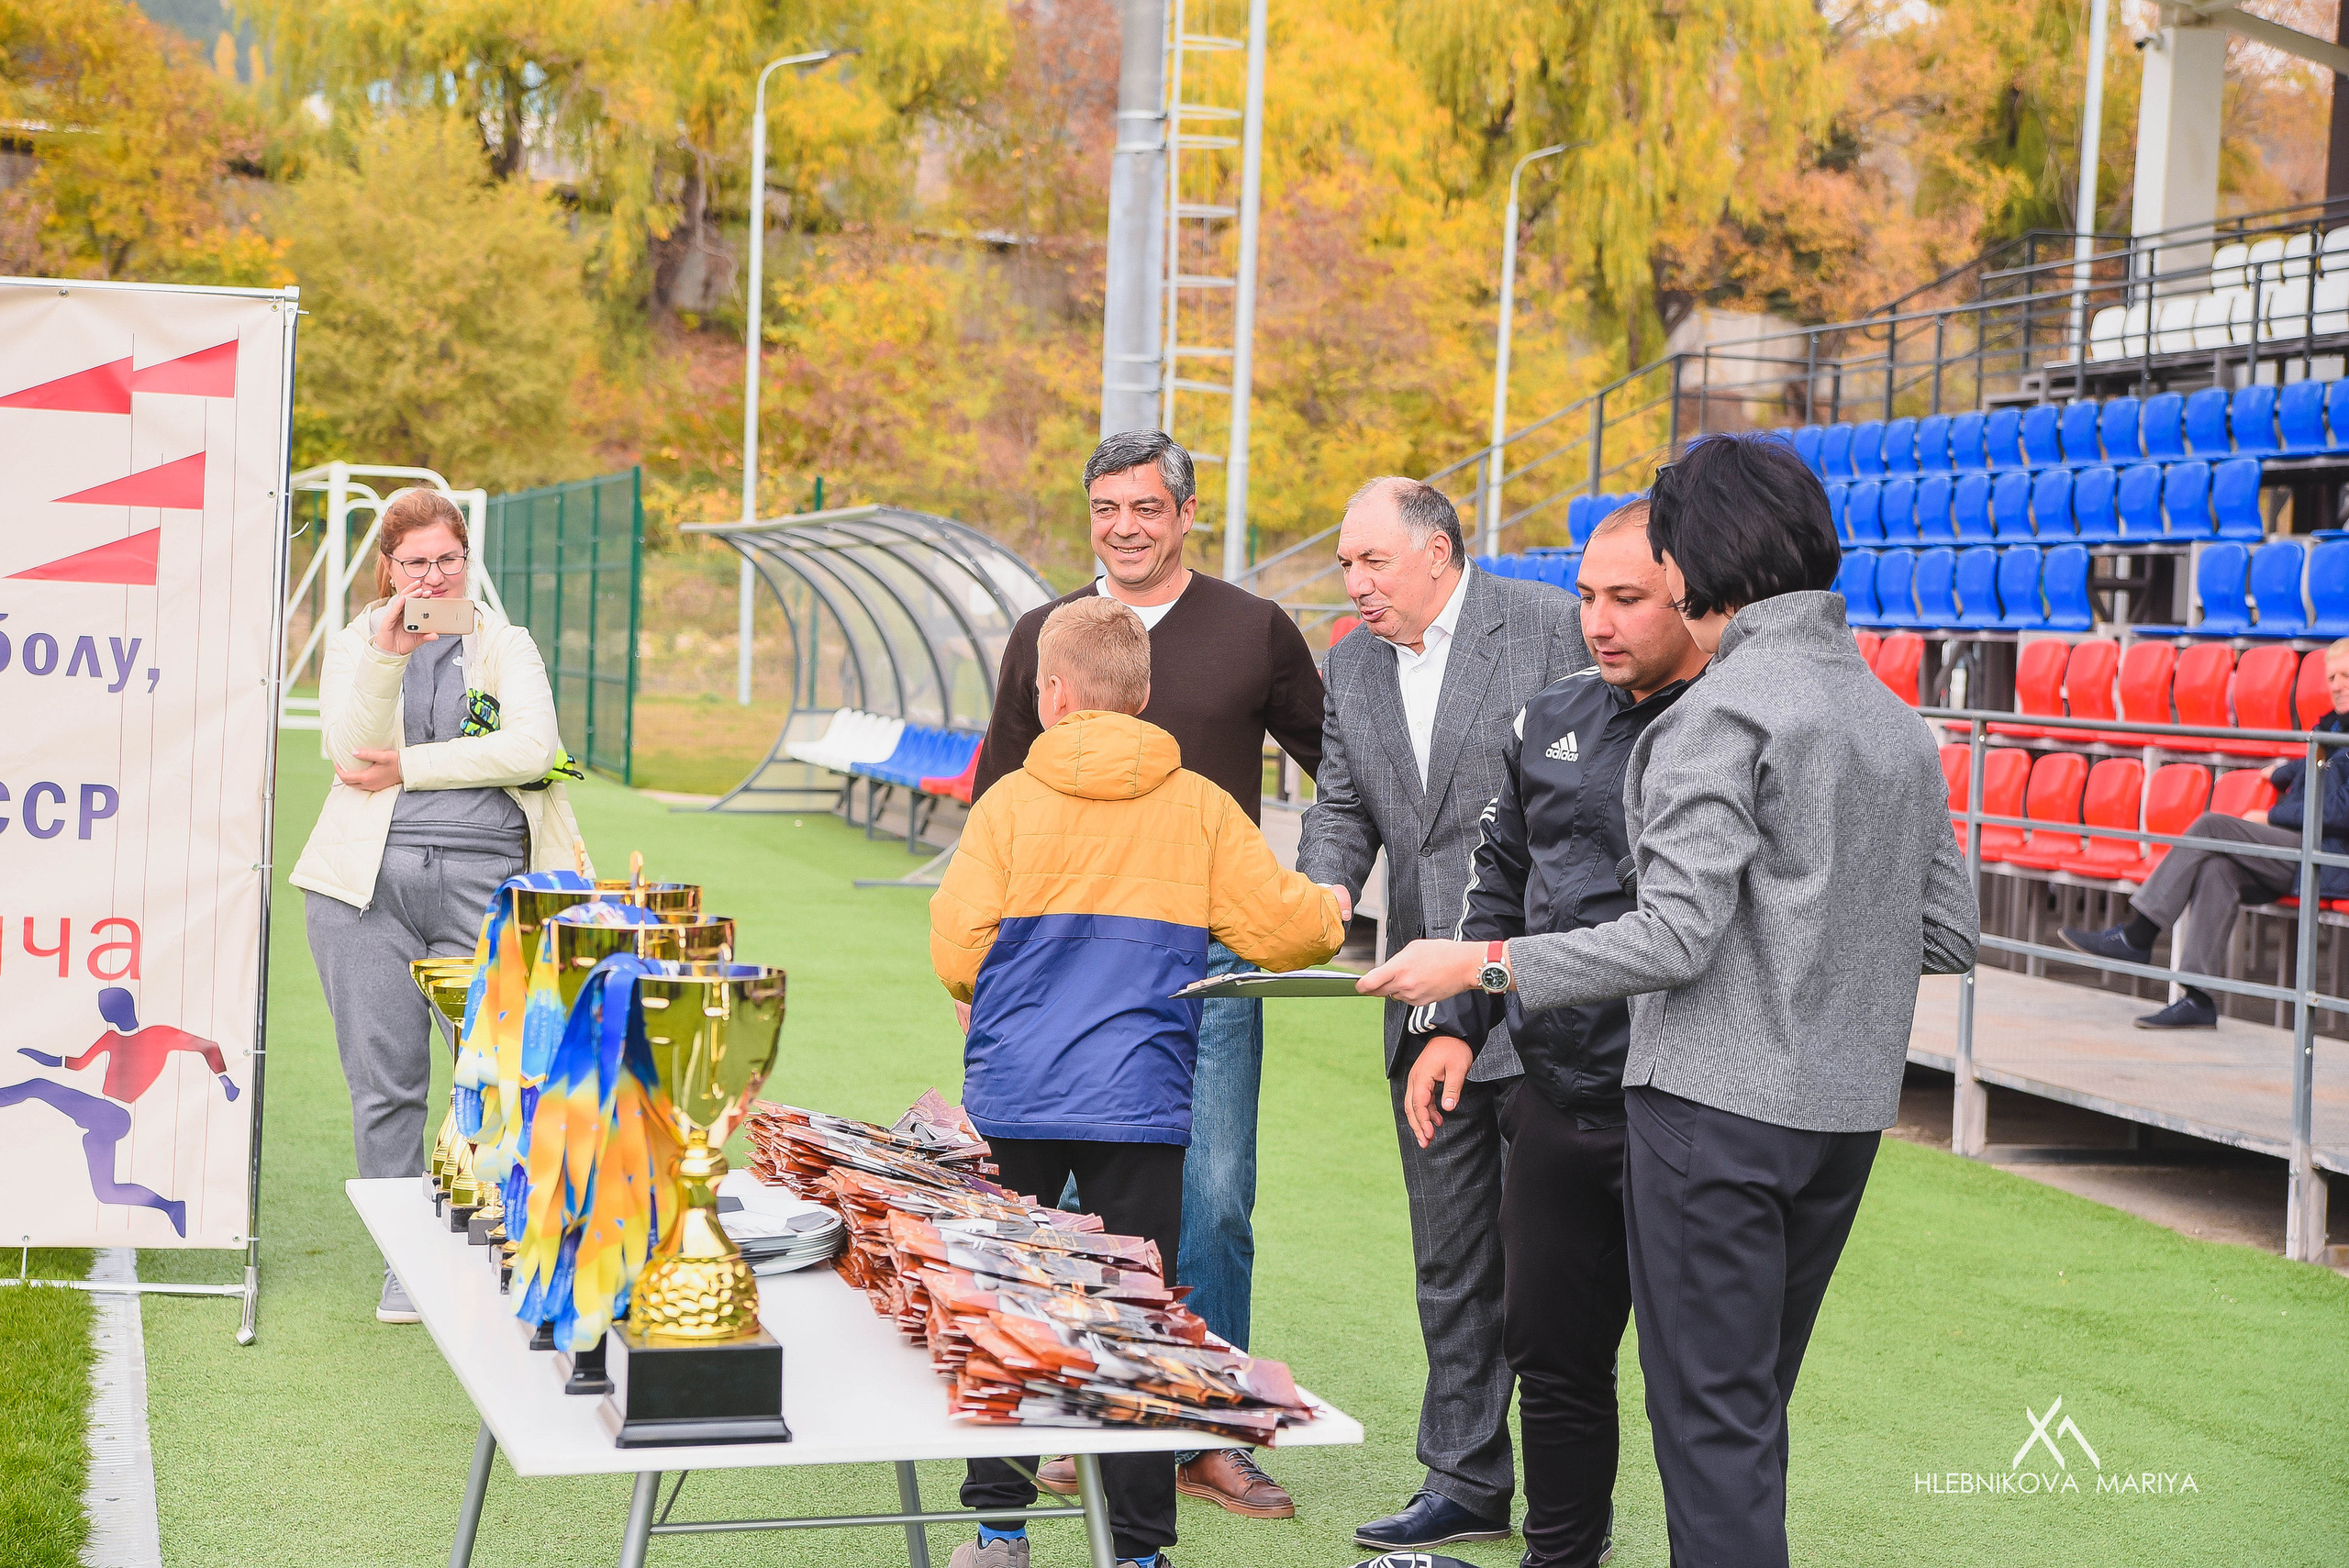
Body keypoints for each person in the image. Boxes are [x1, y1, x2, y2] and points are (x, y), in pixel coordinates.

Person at [1360, 434, 1978, 1568]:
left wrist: (1478, 968)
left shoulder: (1720, 712)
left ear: (1697, 567)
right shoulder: (1897, 720)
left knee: (1709, 1432)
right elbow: (1943, 932)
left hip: (1711, 1116)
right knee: (1738, 1421)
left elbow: (1675, 935)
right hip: (1839, 1120)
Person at [931, 595, 1345, 1568]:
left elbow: (955, 945)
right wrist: (1327, 911)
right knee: (1133, 1317)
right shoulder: (1198, 806)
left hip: (1014, 1100)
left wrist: (988, 985)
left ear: (1054, 693)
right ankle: (1138, 1549)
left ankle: (996, 1529)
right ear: (1145, 694)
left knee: (1006, 1306)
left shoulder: (1009, 805)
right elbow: (1285, 931)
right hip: (1138, 1105)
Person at [1401, 500, 1708, 1568]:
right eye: (1586, 596)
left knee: (1696, 1380)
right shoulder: (1548, 718)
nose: (1598, 621)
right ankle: (1559, 1554)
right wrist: (1453, 1026)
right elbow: (1500, 884)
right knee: (1552, 1355)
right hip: (1556, 1096)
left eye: (1625, 598)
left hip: (1687, 1106)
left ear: (1691, 594)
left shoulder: (1732, 726)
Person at [1294, 476, 1592, 1551]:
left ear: (1437, 552)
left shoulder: (1554, 627)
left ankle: (1567, 1507)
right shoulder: (1351, 664)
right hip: (1425, 1007)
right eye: (1343, 565)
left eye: (1371, 562)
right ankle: (1463, 1477)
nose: (1354, 583)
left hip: (1547, 995)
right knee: (1451, 1252)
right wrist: (1327, 887)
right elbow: (1342, 807)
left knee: (1550, 1265)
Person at [290, 487, 590, 1324]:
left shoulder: (505, 642)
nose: (432, 575)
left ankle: (507, 1239)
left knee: (496, 1072)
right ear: (387, 567)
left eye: (447, 559)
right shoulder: (357, 643)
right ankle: (408, 1265)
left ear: (468, 560)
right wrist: (389, 654)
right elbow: (348, 750)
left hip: (488, 879)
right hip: (365, 886)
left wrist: (411, 767)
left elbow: (536, 747)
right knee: (385, 1084)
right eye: (414, 562)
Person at [2061, 638, 2349, 1028]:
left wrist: (2274, 815)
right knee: (2217, 869)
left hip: (2330, 858)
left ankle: (2138, 935)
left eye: (2345, 675)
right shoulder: (2331, 728)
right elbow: (2315, 768)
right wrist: (2281, 772)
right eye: (2331, 676)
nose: (2336, 684)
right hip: (2302, 851)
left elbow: (2341, 810)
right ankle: (2198, 999)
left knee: (2212, 825)